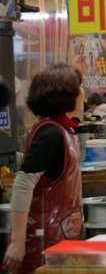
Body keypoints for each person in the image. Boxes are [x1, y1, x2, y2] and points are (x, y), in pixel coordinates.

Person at [3, 64, 85, 274]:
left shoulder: (62, 128)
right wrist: (18, 243)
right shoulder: (50, 133)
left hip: (61, 237)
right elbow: (22, 184)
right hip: (43, 242)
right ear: (66, 94)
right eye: (80, 86)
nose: (84, 91)